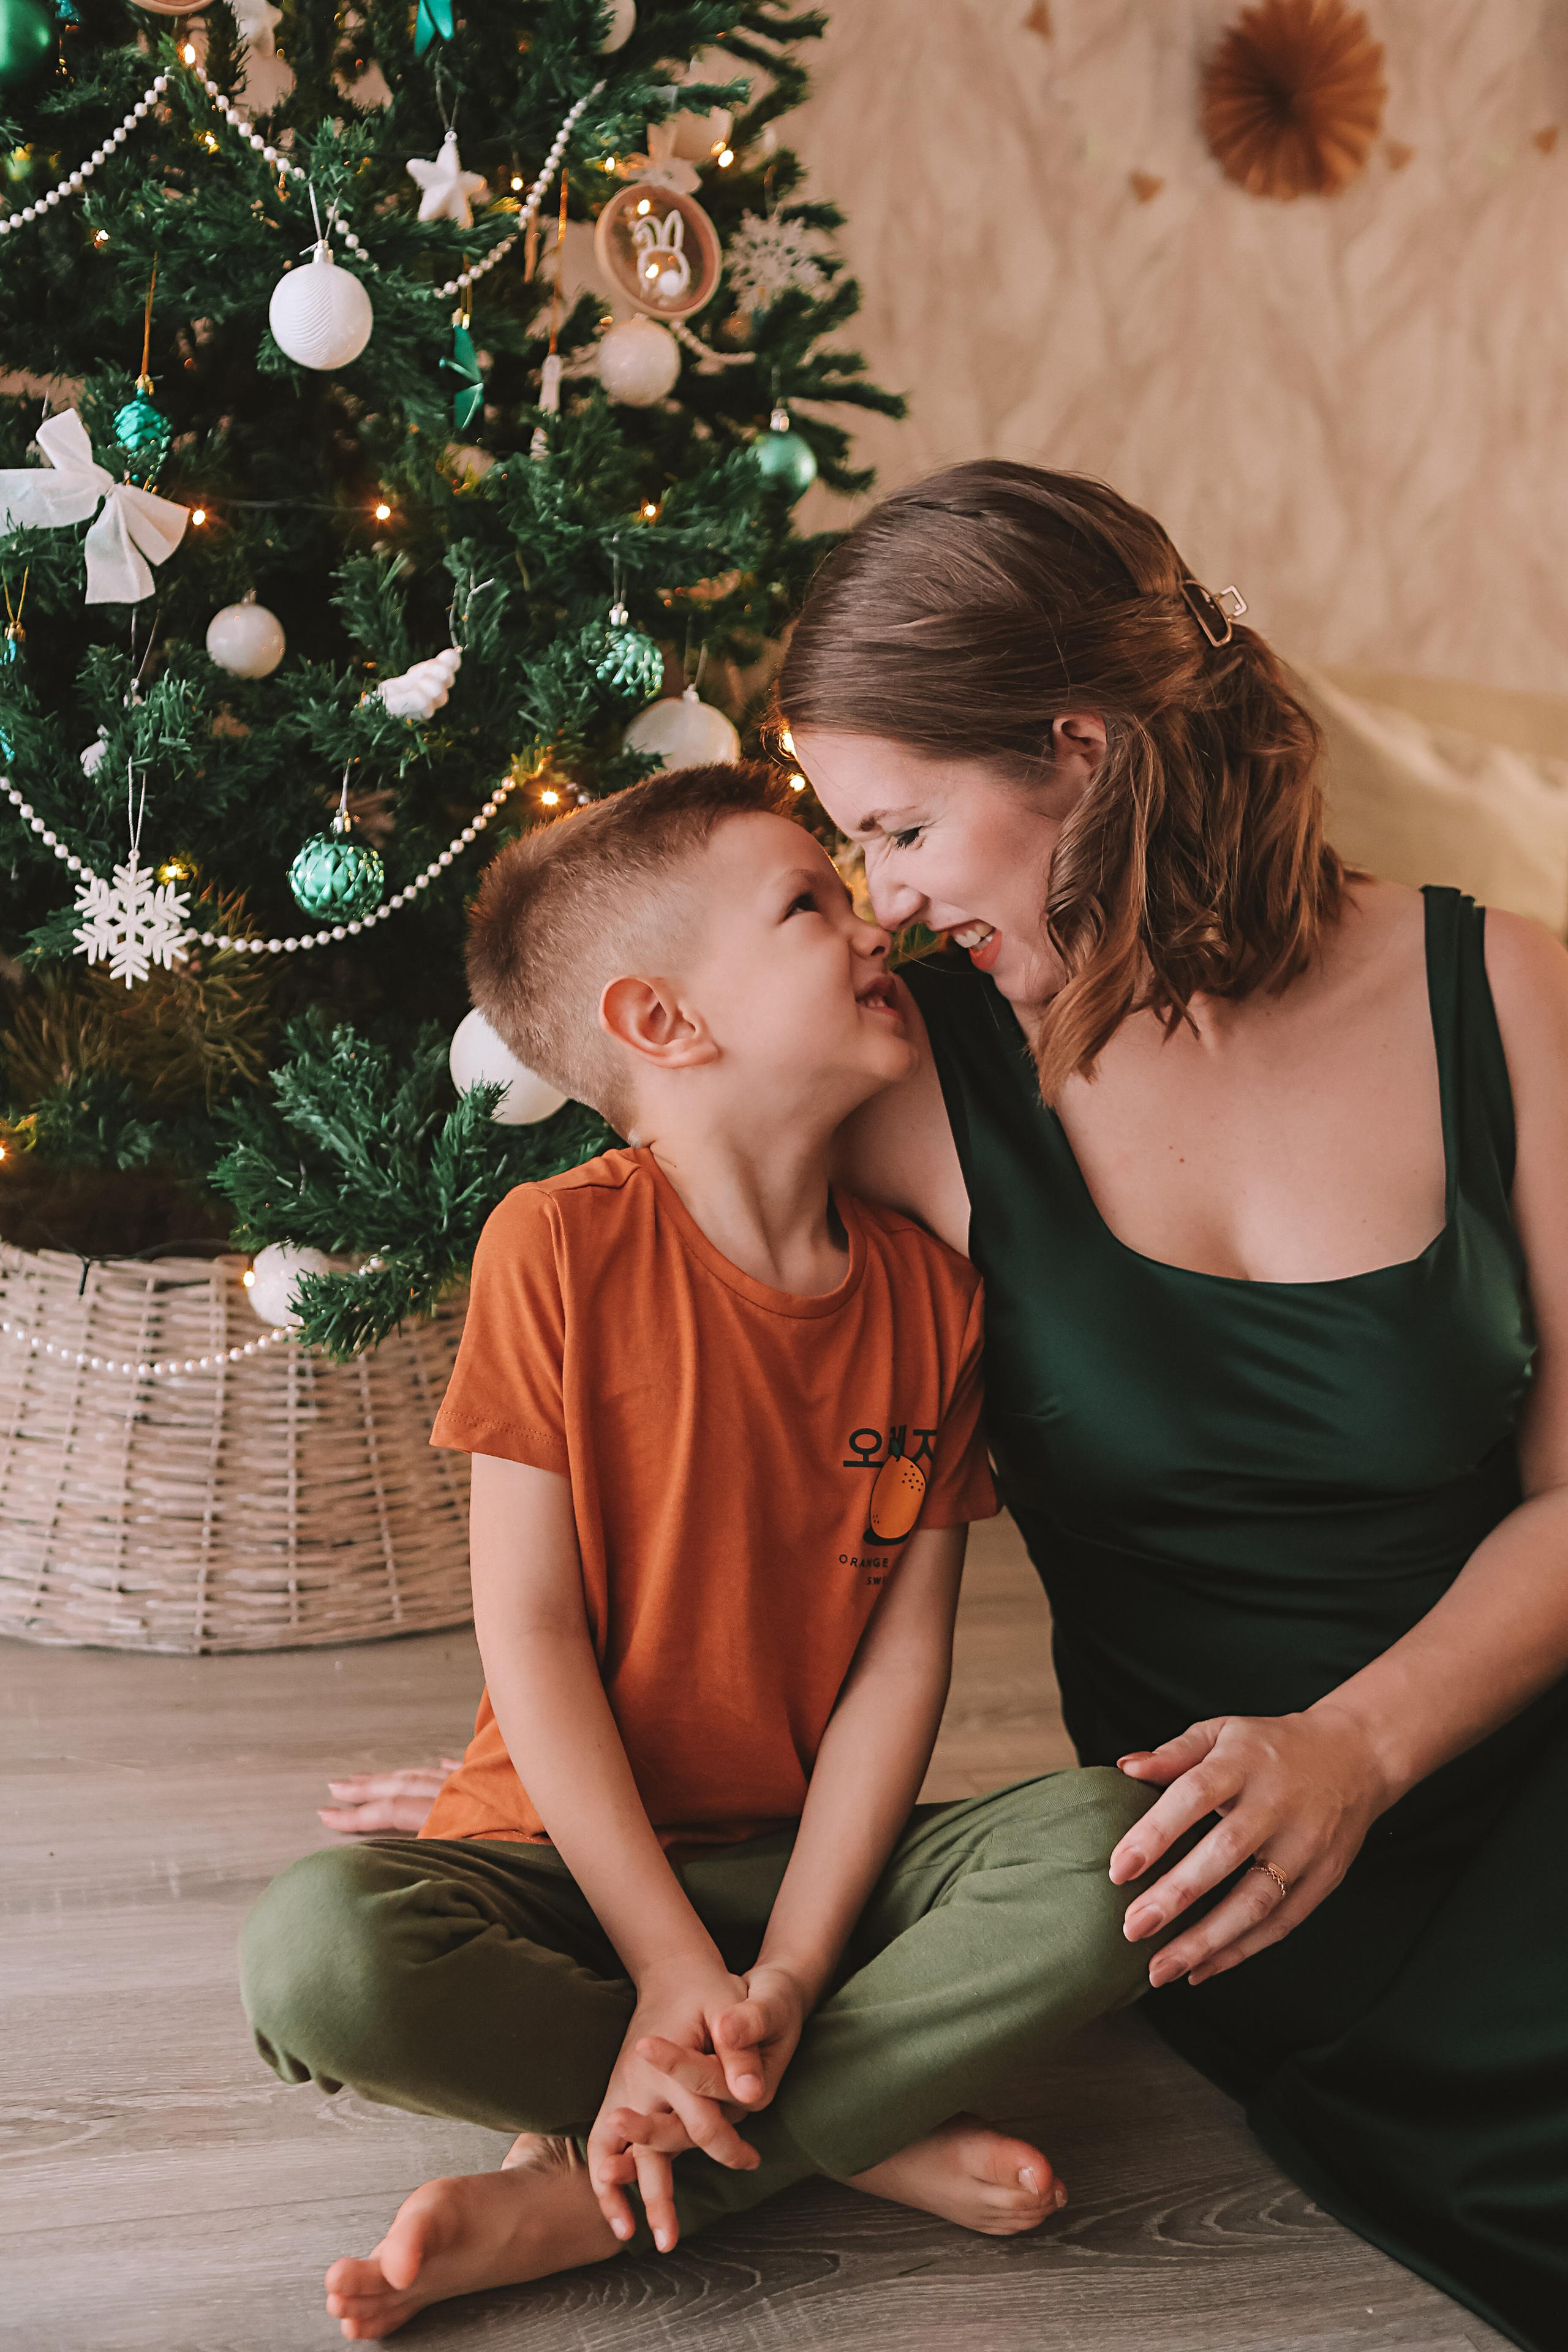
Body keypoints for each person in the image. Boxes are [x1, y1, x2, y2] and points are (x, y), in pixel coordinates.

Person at [761, 461, 1566, 2352]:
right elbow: (656, 1351)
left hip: (1476, 1733)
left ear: (1084, 751)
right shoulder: (907, 1073)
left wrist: (1357, 1747)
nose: (878, 904)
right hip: (1259, 1879)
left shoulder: (1507, 994)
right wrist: (529, 1760)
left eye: (900, 829)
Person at [239, 760, 1159, 2343]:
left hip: (812, 1869)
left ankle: (619, 2178)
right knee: (319, 1957)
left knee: (1118, 1856)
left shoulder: (934, 1298)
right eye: (810, 901)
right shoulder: (555, 1246)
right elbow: (528, 1637)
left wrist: (792, 1966)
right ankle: (852, 2135)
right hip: (567, 1871)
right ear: (663, 1023)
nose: (873, 921)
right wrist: (671, 1966)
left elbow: (901, 1667)